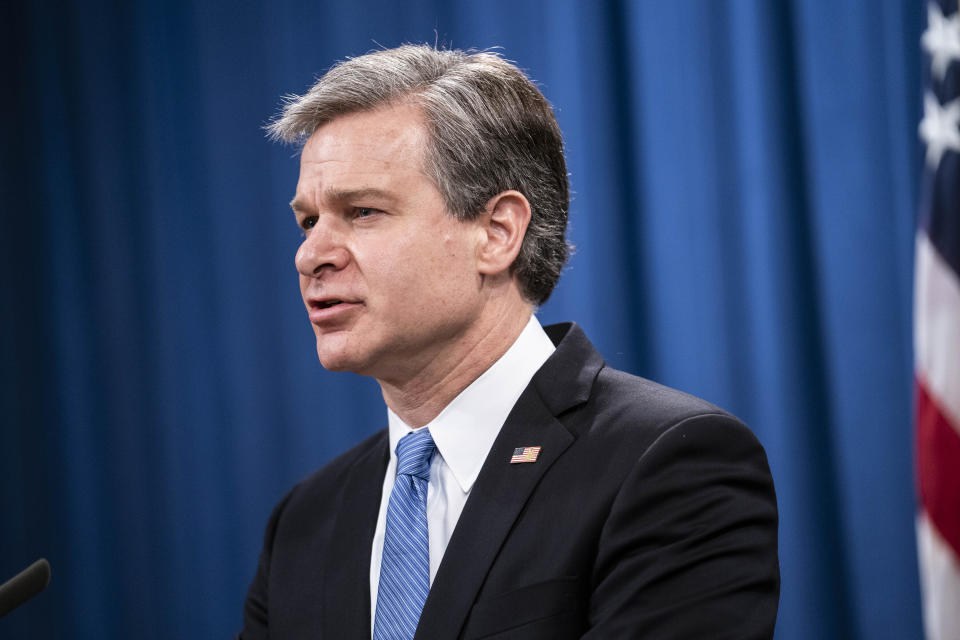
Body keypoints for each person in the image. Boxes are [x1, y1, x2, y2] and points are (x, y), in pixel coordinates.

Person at [239, 45, 779, 640]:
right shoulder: (305, 521)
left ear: (497, 234)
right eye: (308, 221)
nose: (311, 255)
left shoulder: (670, 464)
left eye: (362, 211)